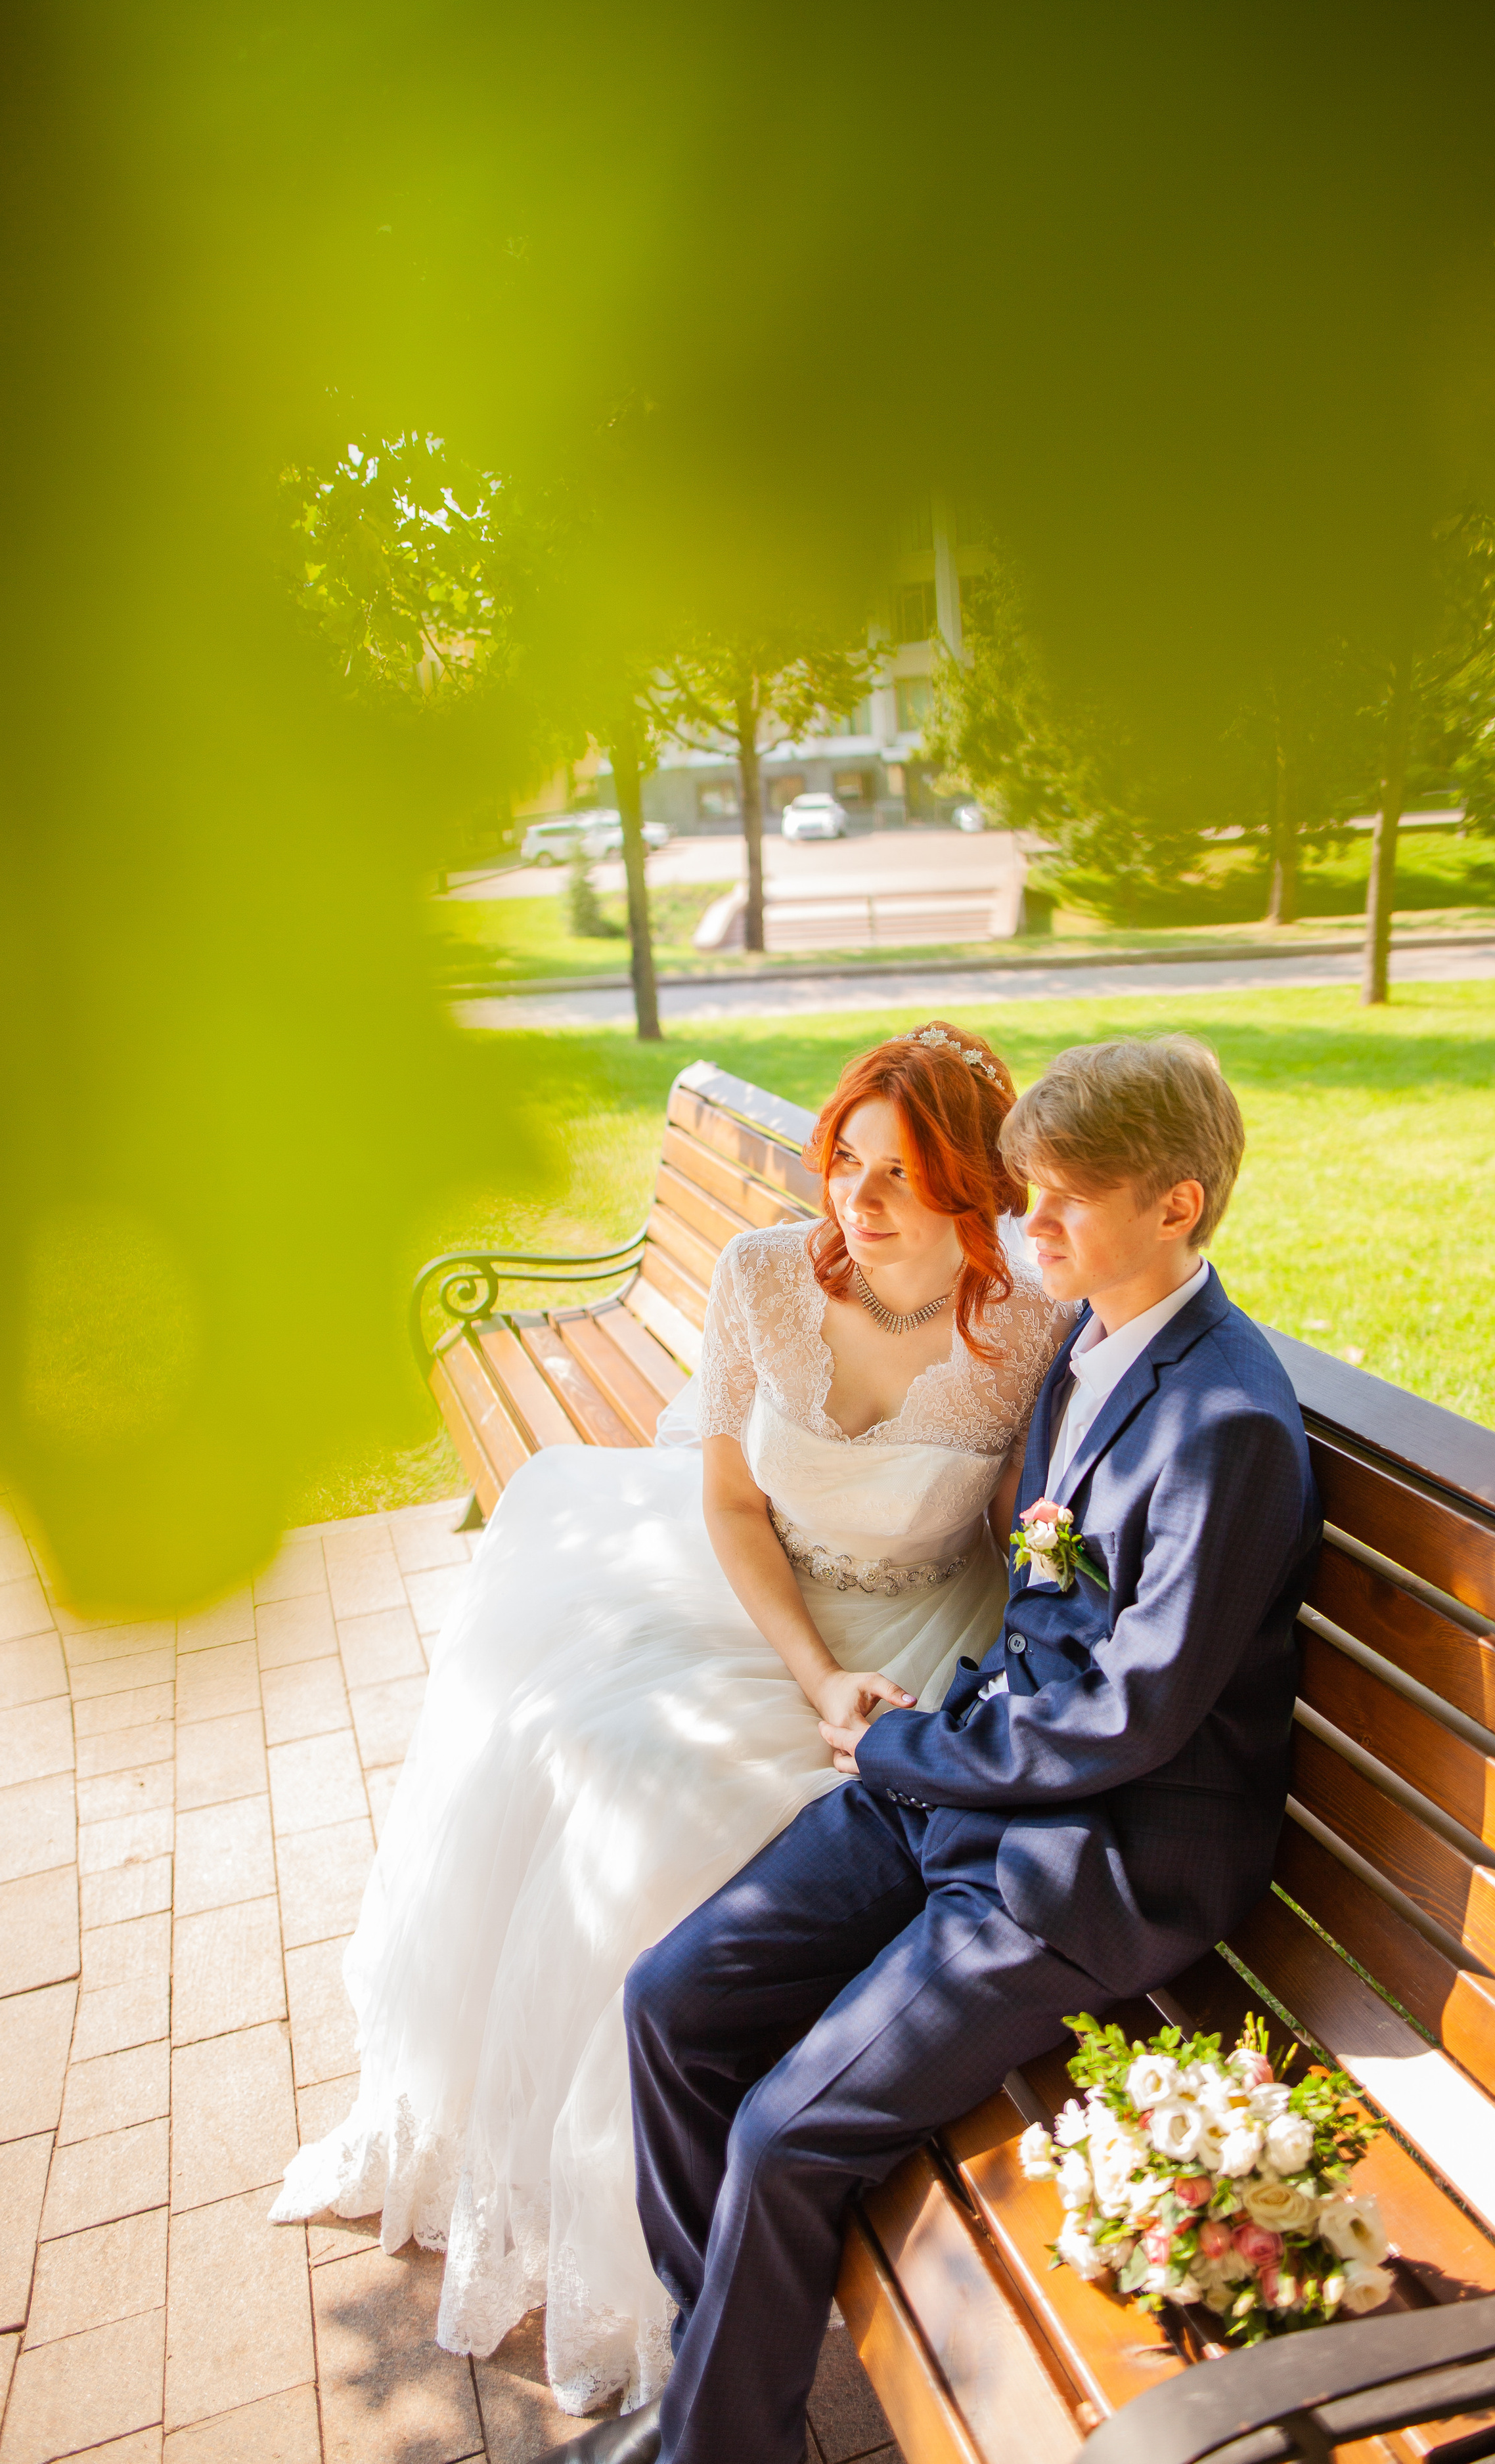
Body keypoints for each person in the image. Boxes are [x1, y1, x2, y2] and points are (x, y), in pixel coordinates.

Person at [270, 1021, 1068, 2417]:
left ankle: (715, 2282)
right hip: (756, 1602)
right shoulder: (766, 1278)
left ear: (975, 1194)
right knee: (610, 1764)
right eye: (842, 1162)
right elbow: (731, 1504)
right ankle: (649, 2257)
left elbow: (1032, 1528)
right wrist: (816, 1678)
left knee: (690, 1834)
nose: (854, 1203)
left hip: (924, 1635)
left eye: (899, 1176)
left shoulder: (1027, 1331)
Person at [583, 1032, 1321, 2464]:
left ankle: (710, 2449)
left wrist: (909, 1750)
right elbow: (1040, 1604)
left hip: (1104, 1861)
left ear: (1176, 1206)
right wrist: (909, 1733)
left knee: (786, 2134)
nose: (1023, 1227)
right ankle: (726, 2406)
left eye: (1055, 1202)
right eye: (1021, 1193)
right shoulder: (1091, 1343)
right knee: (669, 2006)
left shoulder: (1223, 1423)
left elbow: (1132, 1716)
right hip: (983, 1778)